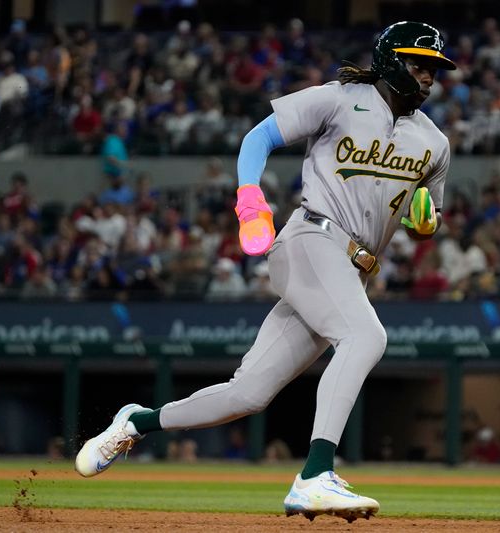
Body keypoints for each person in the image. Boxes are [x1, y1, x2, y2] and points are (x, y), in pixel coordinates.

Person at [75, 21, 453, 522]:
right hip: (311, 239)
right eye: (417, 62)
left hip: (353, 269)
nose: (427, 75)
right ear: (388, 60)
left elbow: (427, 216)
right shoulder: (340, 99)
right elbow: (259, 138)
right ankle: (315, 475)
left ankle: (136, 423)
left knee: (247, 394)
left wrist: (427, 222)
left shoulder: (435, 143)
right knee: (366, 337)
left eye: (433, 67)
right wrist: (249, 197)